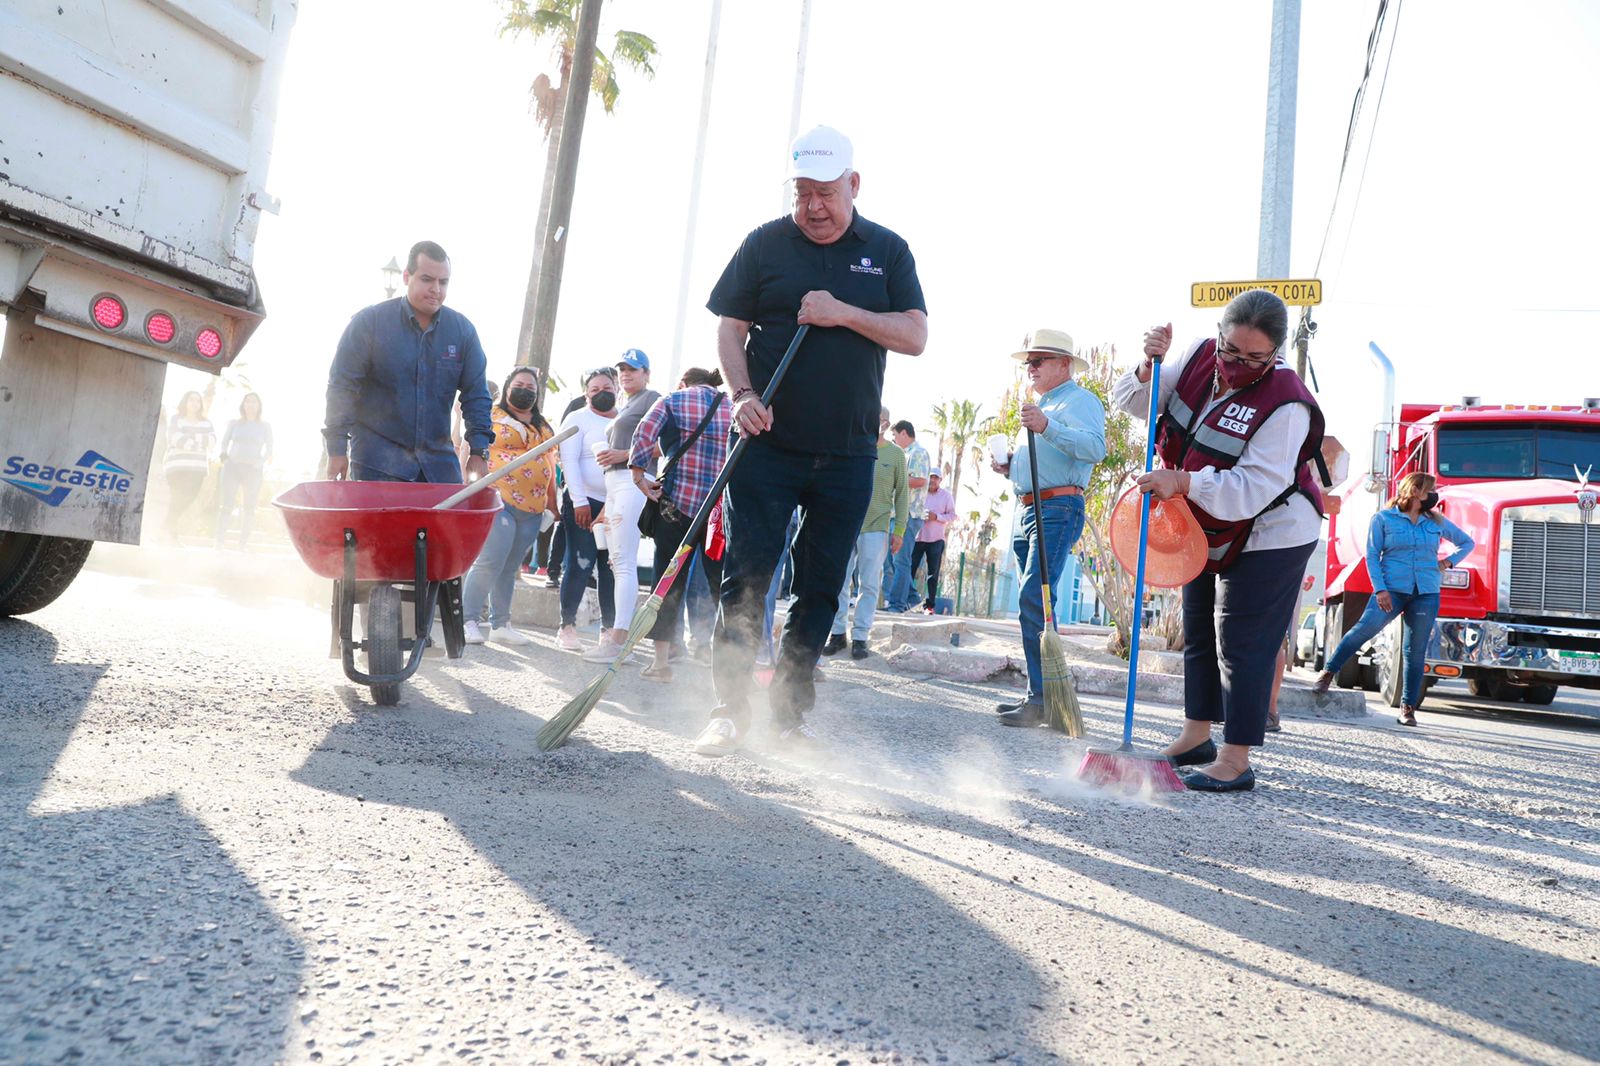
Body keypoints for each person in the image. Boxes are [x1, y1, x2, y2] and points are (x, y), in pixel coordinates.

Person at [694, 124, 928, 757]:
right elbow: (729, 327)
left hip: (850, 454)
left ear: (853, 184)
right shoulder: (765, 244)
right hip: (767, 447)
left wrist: (842, 312)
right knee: (746, 580)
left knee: (821, 588)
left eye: (825, 192)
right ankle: (728, 712)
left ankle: (788, 718)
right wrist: (743, 396)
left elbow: (914, 335)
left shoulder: (888, 250)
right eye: (801, 193)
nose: (813, 207)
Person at [1112, 290, 1325, 793]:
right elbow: (1136, 404)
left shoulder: (1287, 403)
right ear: (1219, 333)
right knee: (1198, 627)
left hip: (1273, 529)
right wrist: (1148, 367)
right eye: (1232, 351)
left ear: (1275, 354)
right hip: (1203, 521)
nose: (1238, 365)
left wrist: (1186, 483)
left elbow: (1253, 488)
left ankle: (1235, 758)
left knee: (1242, 638)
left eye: (1256, 358)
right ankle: (1195, 736)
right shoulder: (1194, 356)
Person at [991, 329, 1107, 726]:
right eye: (1029, 362)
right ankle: (1042, 697)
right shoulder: (1046, 405)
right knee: (1035, 603)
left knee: (1033, 599)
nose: (1031, 368)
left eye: (1038, 361)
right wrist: (1010, 468)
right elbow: (1044, 462)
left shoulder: (1080, 402)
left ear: (1064, 364)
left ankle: (1042, 698)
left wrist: (1046, 427)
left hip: (1057, 507)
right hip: (1031, 509)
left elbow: (1095, 449)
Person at [323, 240, 492, 484]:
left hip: (439, 468)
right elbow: (342, 386)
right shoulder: (369, 323)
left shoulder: (463, 332)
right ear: (406, 276)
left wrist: (478, 451)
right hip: (377, 464)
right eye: (427, 279)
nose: (436, 289)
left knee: (442, 524)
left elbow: (477, 395)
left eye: (443, 282)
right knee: (379, 525)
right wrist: (337, 448)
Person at [1312, 472, 1474, 725]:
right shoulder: (1384, 519)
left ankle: (1408, 708)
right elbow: (1372, 555)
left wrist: (1447, 562)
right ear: (1415, 492)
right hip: (1391, 590)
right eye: (1429, 491)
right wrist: (1380, 590)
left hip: (1426, 593)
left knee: (1415, 650)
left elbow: (1467, 542)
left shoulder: (1436, 521)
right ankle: (1328, 672)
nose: (1434, 496)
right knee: (1362, 631)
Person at [629, 367, 732, 681]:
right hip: (719, 513)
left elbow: (644, 432)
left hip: (675, 507)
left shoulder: (673, 399)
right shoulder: (733, 405)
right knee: (724, 585)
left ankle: (661, 664)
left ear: (685, 382)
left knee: (666, 582)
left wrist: (638, 474)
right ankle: (729, 665)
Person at [462, 367, 558, 646]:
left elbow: (550, 466)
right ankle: (467, 619)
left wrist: (553, 502)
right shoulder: (491, 416)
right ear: (506, 388)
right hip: (498, 498)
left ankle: (501, 623)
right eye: (519, 384)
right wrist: (466, 486)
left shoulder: (543, 426)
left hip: (533, 506)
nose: (525, 390)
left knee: (511, 565)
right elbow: (468, 450)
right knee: (491, 559)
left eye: (531, 387)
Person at [586, 349, 662, 662]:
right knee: (617, 562)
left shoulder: (652, 398)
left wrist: (625, 455)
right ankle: (619, 637)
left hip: (633, 481)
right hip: (615, 485)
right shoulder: (629, 404)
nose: (626, 374)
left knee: (623, 560)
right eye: (623, 370)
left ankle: (618, 640)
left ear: (646, 373)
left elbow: (664, 443)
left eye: (633, 369)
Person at [823, 407, 907, 660]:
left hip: (877, 527)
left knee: (869, 584)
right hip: (845, 524)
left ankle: (860, 637)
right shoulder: (852, 446)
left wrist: (899, 530)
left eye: (878, 420)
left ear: (886, 423)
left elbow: (902, 493)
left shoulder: (895, 454)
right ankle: (837, 634)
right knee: (839, 581)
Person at [555, 370, 619, 652]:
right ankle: (566, 626)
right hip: (582, 503)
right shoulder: (577, 418)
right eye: (594, 389)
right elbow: (568, 461)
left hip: (616, 504)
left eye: (607, 386)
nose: (601, 392)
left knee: (610, 568)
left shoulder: (626, 417)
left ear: (617, 388)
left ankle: (608, 630)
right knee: (580, 565)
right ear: (586, 393)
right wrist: (579, 501)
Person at [214, 392, 274, 549]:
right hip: (232, 468)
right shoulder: (234, 423)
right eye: (247, 401)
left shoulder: (265, 426)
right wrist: (224, 457)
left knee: (249, 507)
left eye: (254, 402)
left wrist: (260, 462)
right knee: (227, 504)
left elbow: (270, 449)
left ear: (259, 405)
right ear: (243, 405)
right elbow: (224, 443)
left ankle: (242, 544)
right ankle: (219, 541)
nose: (250, 404)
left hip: (253, 470)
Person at [884, 419, 931, 611]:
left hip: (910, 513)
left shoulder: (918, 453)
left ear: (904, 433)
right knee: (892, 559)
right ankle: (911, 598)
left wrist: (895, 479)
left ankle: (897, 604)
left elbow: (920, 480)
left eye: (895, 435)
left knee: (900, 559)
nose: (894, 439)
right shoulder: (902, 454)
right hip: (896, 513)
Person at [163, 390, 215, 539]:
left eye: (198, 401)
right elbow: (175, 438)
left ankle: (166, 529)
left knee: (189, 498)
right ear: (185, 402)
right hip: (176, 467)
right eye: (191, 400)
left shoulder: (207, 422)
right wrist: (198, 443)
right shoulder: (176, 419)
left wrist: (190, 439)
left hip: (198, 468)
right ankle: (171, 535)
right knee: (177, 498)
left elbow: (212, 441)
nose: (195, 403)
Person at [912, 469, 956, 612]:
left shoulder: (946, 496)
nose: (932, 480)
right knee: (909, 569)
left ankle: (929, 606)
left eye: (936, 478)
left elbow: (952, 516)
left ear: (940, 480)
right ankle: (907, 601)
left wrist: (936, 517)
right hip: (917, 537)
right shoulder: (919, 492)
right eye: (931, 477)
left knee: (933, 573)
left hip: (936, 540)